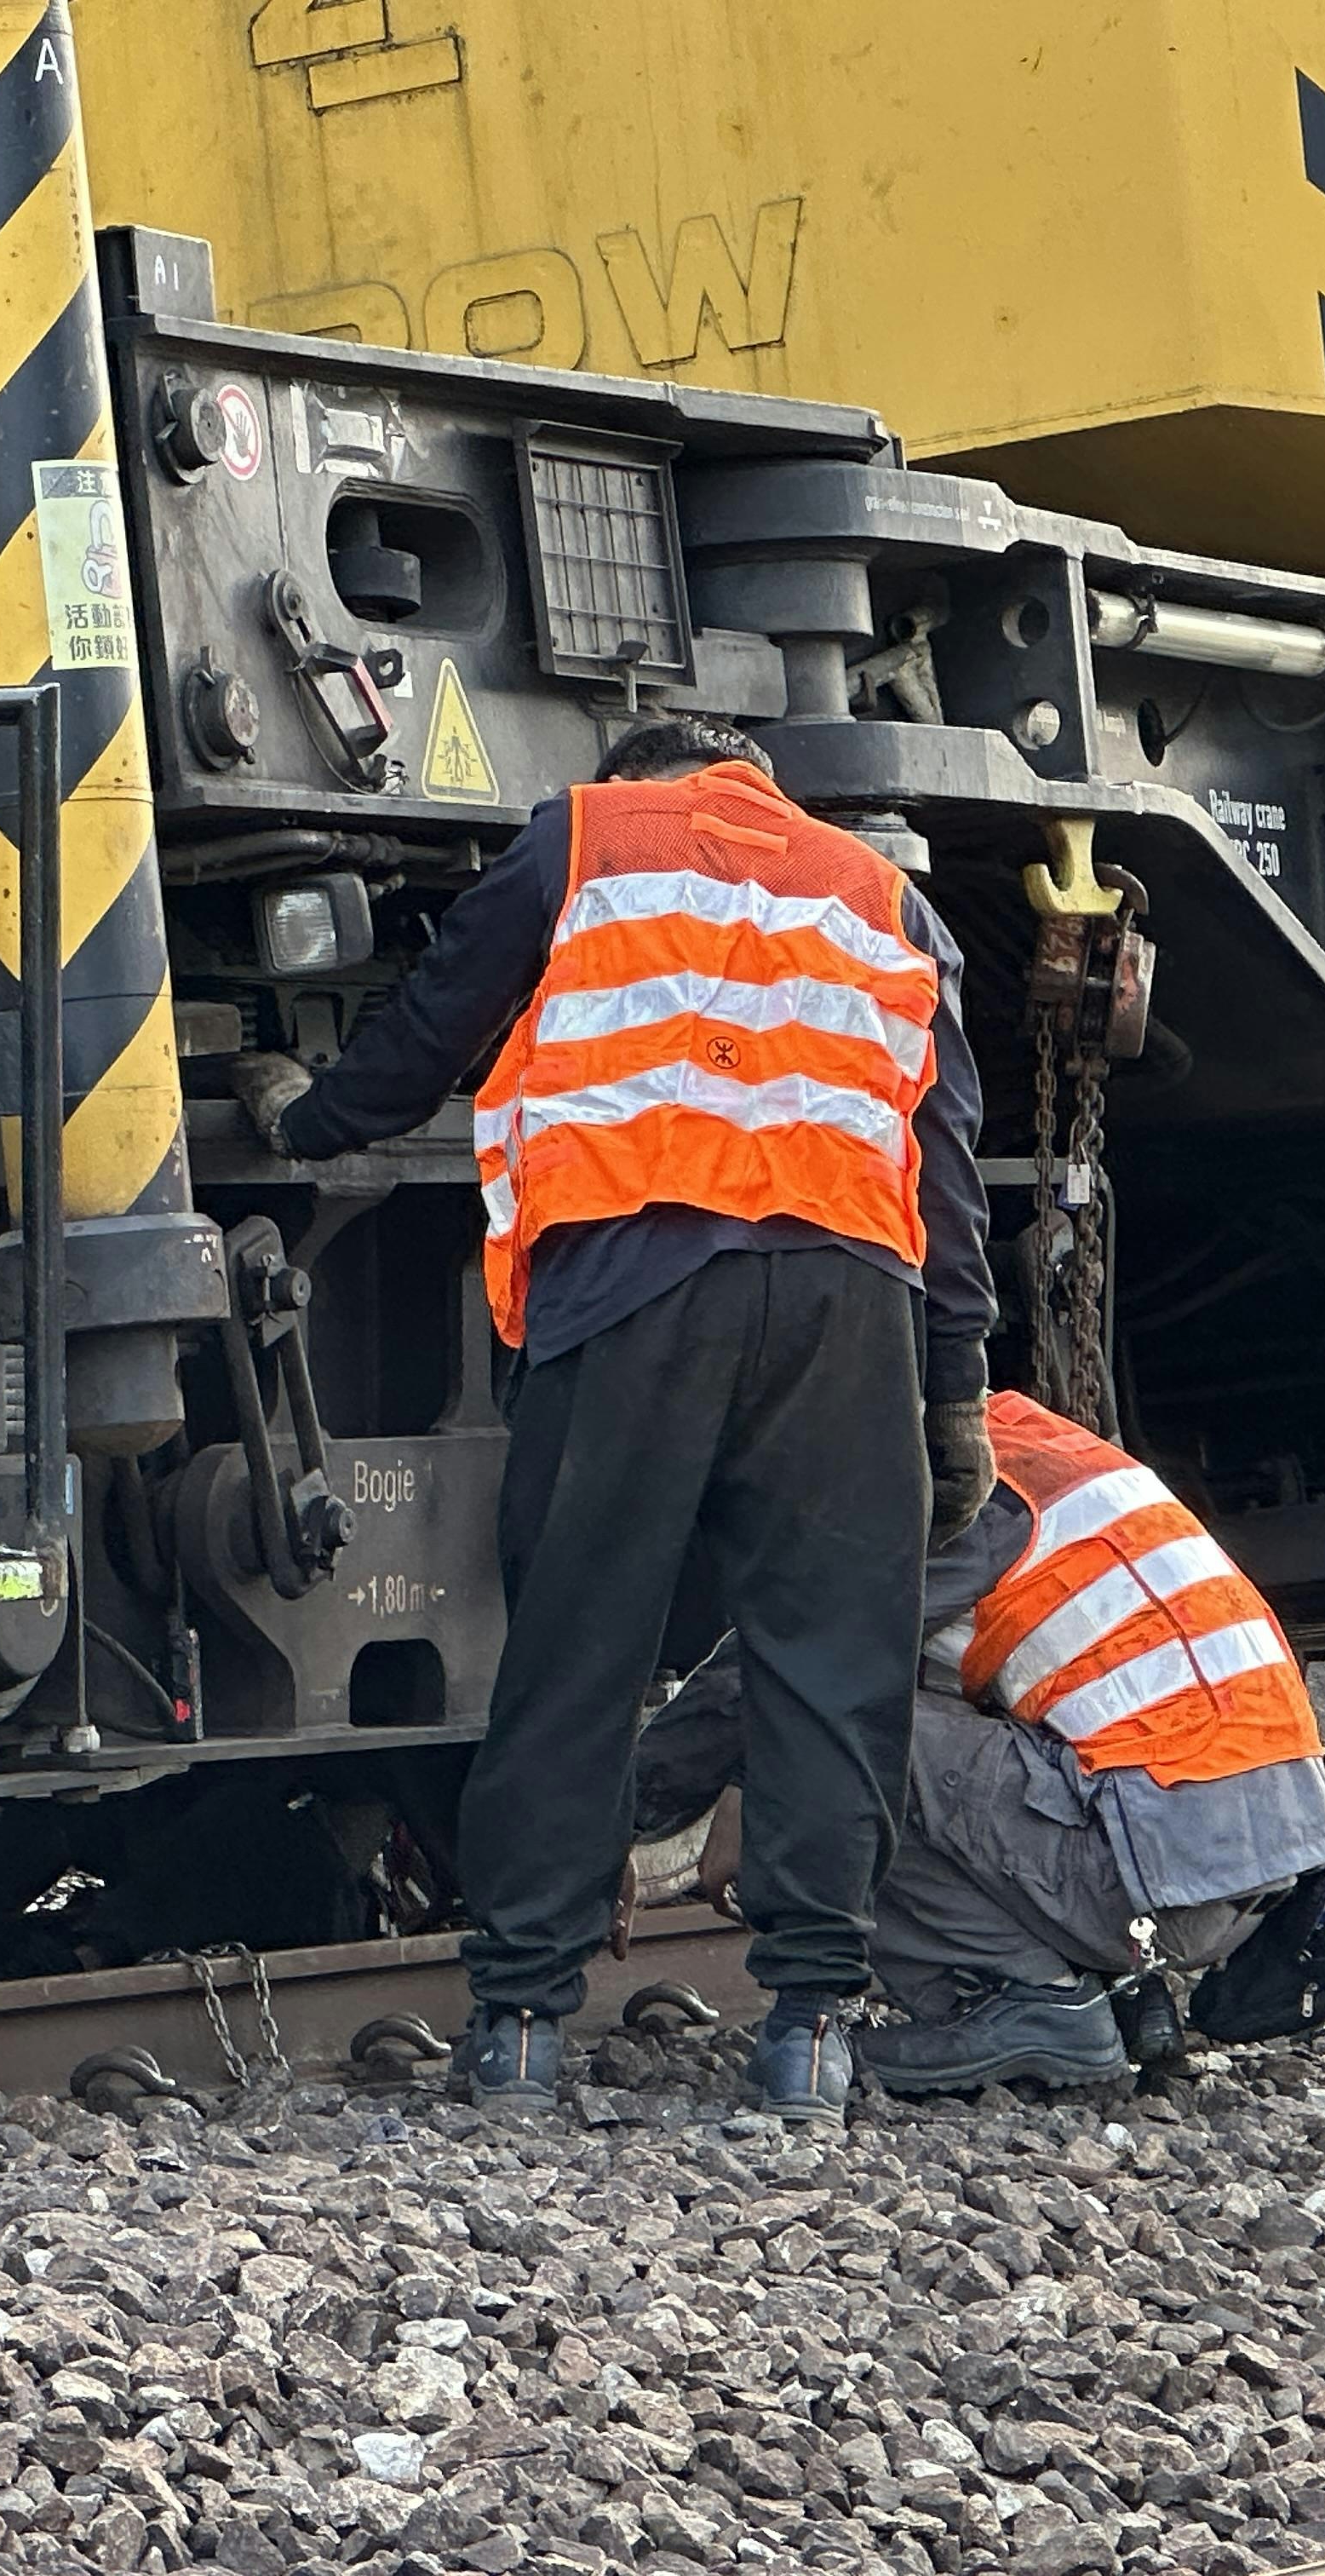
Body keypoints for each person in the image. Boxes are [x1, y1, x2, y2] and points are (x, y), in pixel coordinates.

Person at [234, 717, 991, 2122]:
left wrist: (306, 1120)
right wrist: (954, 1384)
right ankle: (809, 2033)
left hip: (637, 1283)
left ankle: (523, 2026)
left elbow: (435, 1025)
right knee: (832, 1662)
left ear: (640, 773)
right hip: (848, 1304)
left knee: (578, 1651)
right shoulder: (885, 895)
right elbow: (938, 1153)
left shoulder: (585, 836)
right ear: (755, 780)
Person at [633, 1390, 1325, 2090]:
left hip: (1159, 1868)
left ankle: (1020, 1996)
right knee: (859, 1704)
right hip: (1245, 1864)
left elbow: (786, 1671)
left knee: (828, 1721)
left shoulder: (944, 1496)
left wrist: (616, 1828)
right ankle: (1092, 1987)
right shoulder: (1030, 1452)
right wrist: (745, 1781)